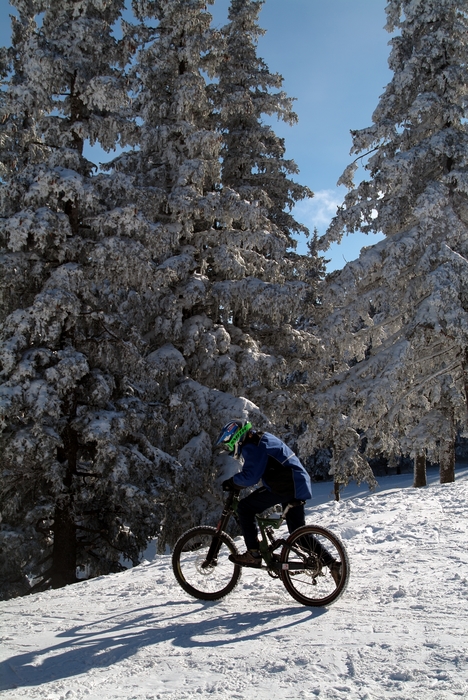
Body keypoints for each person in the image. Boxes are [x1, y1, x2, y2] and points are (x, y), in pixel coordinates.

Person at [215, 419, 341, 584]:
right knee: (299, 534)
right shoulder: (262, 438)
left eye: (228, 445)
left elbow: (251, 476)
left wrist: (232, 483)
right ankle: (333, 565)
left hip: (286, 485)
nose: (229, 449)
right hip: (297, 484)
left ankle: (253, 554)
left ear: (235, 438)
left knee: (245, 508)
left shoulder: (252, 446)